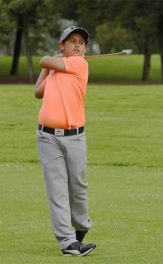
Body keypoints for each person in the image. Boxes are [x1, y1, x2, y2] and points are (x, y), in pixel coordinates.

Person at [35, 26, 96, 256]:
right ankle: (68, 242)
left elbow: (43, 59)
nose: (78, 45)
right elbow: (37, 92)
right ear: (62, 45)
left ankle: (80, 227)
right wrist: (49, 67)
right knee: (57, 189)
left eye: (81, 42)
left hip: (75, 138)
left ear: (86, 48)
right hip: (47, 138)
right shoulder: (55, 69)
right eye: (72, 41)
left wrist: (50, 61)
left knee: (78, 187)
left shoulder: (80, 64)